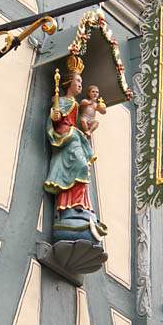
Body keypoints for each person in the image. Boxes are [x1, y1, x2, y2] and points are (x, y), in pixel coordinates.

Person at [44, 56, 106, 244]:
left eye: (81, 81)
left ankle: (80, 206)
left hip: (74, 136)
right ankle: (68, 207)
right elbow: (55, 120)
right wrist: (55, 116)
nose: (81, 84)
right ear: (69, 82)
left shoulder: (78, 104)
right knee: (80, 165)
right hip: (67, 136)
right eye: (78, 81)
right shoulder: (61, 100)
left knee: (84, 167)